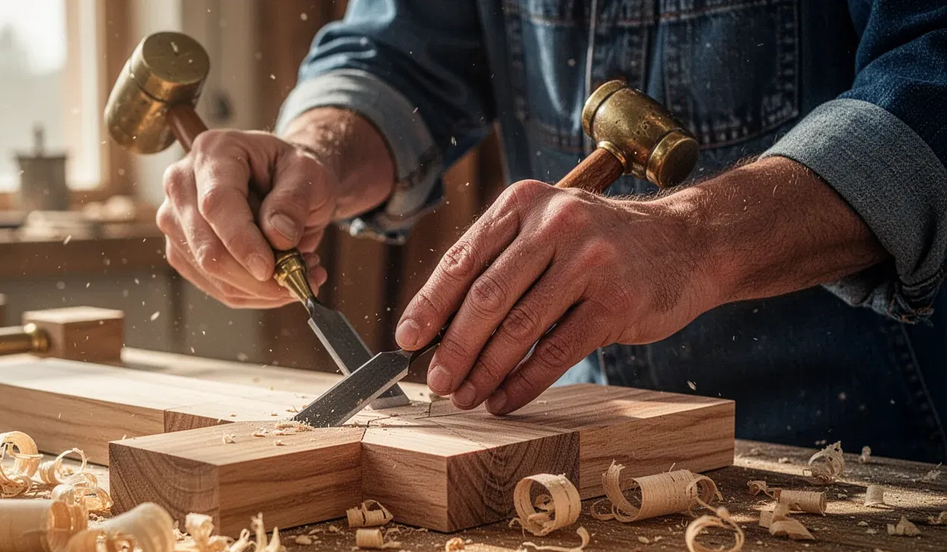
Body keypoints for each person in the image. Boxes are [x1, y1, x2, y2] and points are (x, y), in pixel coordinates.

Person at [155, 1, 947, 462]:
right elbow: (401, 50)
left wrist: (692, 238)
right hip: (560, 432)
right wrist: (314, 154)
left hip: (863, 449)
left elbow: (932, 66)